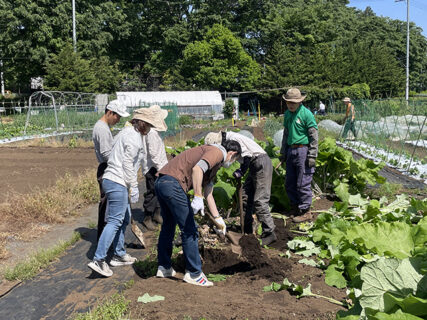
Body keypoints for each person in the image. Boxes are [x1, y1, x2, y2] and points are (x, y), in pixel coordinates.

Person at [88, 106, 166, 277]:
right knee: (115, 221)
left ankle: (119, 254)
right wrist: (134, 186)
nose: (151, 130)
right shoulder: (133, 138)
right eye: (150, 126)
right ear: (143, 124)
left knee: (124, 220)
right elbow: (127, 164)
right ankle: (99, 259)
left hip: (114, 180)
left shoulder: (126, 133)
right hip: (117, 181)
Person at [155, 140, 242, 287]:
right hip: (173, 184)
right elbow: (197, 170)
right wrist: (197, 196)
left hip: (162, 183)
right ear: (232, 154)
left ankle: (164, 267)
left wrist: (218, 218)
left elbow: (208, 191)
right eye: (234, 159)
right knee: (189, 229)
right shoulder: (217, 152)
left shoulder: (214, 162)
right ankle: (194, 273)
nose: (232, 162)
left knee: (168, 226)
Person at [204, 131, 277, 246]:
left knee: (260, 200)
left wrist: (242, 171)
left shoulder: (233, 138)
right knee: (245, 196)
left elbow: (247, 155)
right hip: (254, 164)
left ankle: (269, 232)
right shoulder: (228, 139)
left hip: (260, 161)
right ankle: (247, 229)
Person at [92, 100, 130, 241]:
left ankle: (106, 237)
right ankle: (104, 238)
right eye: (117, 116)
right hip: (107, 168)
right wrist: (119, 162)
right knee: (107, 205)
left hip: (108, 167)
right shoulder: (101, 128)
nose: (118, 119)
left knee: (108, 204)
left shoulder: (103, 127)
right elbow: (106, 153)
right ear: (110, 112)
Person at [280, 88, 318, 223]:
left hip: (303, 150)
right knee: (290, 182)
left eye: (293, 102)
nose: (291, 105)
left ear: (300, 102)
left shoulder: (306, 114)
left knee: (303, 182)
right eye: (288, 102)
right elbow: (286, 134)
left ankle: (306, 211)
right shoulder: (287, 114)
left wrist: (312, 155)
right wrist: (283, 152)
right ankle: (295, 208)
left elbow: (313, 135)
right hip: (291, 150)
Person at [141, 105, 169, 230]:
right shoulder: (151, 133)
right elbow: (153, 154)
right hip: (153, 168)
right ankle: (147, 218)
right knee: (152, 193)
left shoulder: (154, 131)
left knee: (159, 192)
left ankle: (157, 215)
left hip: (158, 166)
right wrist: (160, 169)